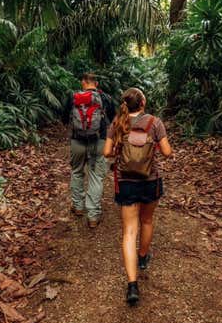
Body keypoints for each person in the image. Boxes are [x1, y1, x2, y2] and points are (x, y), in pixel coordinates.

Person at [103, 87, 172, 305]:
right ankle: (143, 257)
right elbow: (167, 152)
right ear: (142, 103)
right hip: (149, 181)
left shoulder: (117, 122)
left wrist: (121, 148)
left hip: (126, 183)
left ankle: (132, 285)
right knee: (147, 220)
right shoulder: (154, 122)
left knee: (129, 232)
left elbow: (106, 152)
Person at [62, 73, 115, 228]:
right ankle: (93, 215)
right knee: (96, 176)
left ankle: (78, 207)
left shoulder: (73, 97)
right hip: (99, 141)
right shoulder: (105, 98)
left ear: (83, 83)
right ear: (96, 83)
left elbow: (64, 119)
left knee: (77, 171)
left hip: (77, 140)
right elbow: (112, 119)